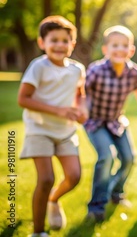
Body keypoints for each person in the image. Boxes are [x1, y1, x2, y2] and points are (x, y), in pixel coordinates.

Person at [18, 15, 87, 236]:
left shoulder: (77, 69)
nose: (59, 45)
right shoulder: (38, 66)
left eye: (64, 40)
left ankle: (53, 200)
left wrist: (81, 109)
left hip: (66, 131)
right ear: (42, 43)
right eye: (53, 40)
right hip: (39, 129)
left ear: (72, 44)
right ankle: (38, 232)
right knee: (46, 178)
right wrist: (58, 110)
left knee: (74, 176)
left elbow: (80, 93)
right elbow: (23, 99)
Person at [84, 25, 137, 222]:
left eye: (124, 46)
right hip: (95, 122)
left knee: (129, 158)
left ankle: (116, 192)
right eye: (115, 45)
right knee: (106, 157)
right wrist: (81, 110)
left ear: (131, 50)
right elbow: (83, 92)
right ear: (105, 49)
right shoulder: (96, 70)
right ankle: (96, 207)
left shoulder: (134, 72)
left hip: (116, 121)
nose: (120, 49)